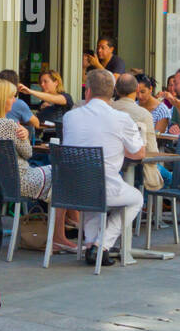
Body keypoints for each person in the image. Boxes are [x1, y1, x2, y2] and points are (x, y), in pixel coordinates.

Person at [61, 69, 145, 267]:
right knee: (136, 199)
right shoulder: (121, 119)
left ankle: (92, 244)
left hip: (72, 191)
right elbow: (139, 153)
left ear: (88, 91)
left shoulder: (69, 117)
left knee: (92, 195)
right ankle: (102, 244)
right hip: (103, 189)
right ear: (112, 93)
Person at [0, 78, 58, 248]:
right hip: (21, 181)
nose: (14, 101)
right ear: (1, 100)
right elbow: (28, 153)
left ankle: (63, 230)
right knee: (61, 172)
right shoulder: (8, 125)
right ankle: (59, 236)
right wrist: (26, 136)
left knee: (58, 174)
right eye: (11, 97)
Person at [112, 73, 162, 192]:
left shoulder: (107, 109)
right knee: (169, 178)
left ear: (116, 90)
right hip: (137, 168)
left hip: (110, 168)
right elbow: (152, 150)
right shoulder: (144, 114)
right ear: (136, 89)